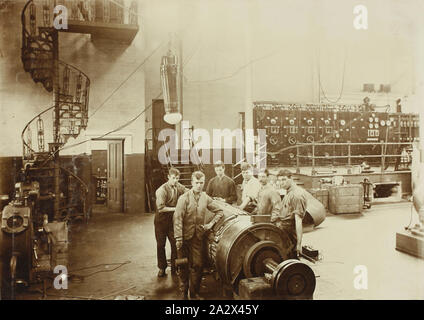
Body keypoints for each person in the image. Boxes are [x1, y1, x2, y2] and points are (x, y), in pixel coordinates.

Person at [174, 171, 224, 300]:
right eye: (197, 183)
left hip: (198, 237)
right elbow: (177, 219)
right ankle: (184, 293)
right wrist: (178, 238)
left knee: (198, 265)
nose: (199, 185)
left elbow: (219, 211)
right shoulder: (183, 198)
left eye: (201, 182)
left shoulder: (205, 197)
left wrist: (210, 224)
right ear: (191, 183)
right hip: (184, 237)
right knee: (183, 265)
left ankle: (194, 293)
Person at [155, 167, 188, 277]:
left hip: (172, 220)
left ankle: (175, 267)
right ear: (169, 177)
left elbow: (189, 192)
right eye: (173, 178)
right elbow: (161, 208)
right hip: (161, 220)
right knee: (161, 245)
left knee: (175, 244)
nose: (175, 180)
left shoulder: (179, 187)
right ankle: (162, 268)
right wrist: (177, 209)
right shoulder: (162, 190)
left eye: (177, 178)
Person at [271, 169, 307, 259]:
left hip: (289, 233)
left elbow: (298, 221)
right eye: (279, 180)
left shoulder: (296, 195)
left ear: (291, 179)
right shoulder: (289, 192)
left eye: (284, 179)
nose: (281, 183)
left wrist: (299, 244)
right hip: (283, 229)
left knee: (291, 260)